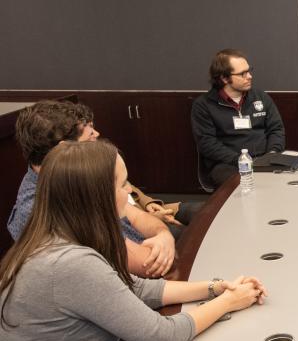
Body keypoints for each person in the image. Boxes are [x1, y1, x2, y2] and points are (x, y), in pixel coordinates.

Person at [0, 140, 267, 341]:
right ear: (96, 195)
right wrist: (228, 303)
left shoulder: (54, 235)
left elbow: (136, 289)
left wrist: (215, 288)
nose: (129, 194)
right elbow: (162, 335)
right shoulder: (70, 264)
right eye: (122, 184)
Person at [7, 101, 178, 278]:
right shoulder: (41, 210)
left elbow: (133, 213)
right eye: (89, 135)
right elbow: (147, 265)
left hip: (148, 253)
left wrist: (162, 234)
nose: (97, 135)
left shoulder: (75, 176)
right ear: (65, 149)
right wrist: (164, 241)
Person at [191, 49, 285, 187]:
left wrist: (272, 154)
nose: (250, 76)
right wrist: (241, 160)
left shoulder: (260, 97)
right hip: (228, 164)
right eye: (243, 73)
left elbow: (276, 129)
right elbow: (207, 143)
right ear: (224, 78)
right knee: (249, 184)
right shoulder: (204, 105)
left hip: (265, 159)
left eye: (249, 70)